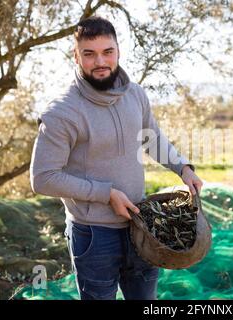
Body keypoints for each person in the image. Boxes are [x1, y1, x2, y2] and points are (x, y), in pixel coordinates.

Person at [29, 16, 202, 300]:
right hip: (94, 235)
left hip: (143, 227)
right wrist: (106, 194)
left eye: (107, 52)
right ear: (76, 55)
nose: (100, 61)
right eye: (89, 54)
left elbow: (152, 139)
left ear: (118, 51)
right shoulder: (61, 112)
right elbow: (42, 178)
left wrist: (183, 168)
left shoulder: (136, 95)